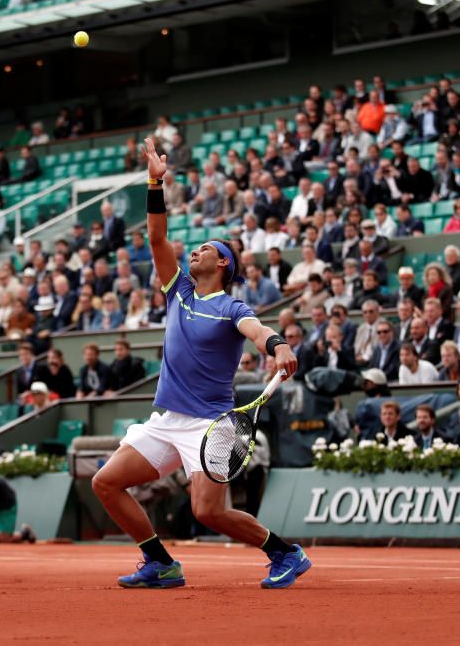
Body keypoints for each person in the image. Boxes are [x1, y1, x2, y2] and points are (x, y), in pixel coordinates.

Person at [91, 138, 306, 590]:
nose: (195, 252)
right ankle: (160, 563)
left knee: (208, 511)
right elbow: (156, 236)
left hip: (211, 425)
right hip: (168, 419)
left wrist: (278, 346)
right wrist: (155, 180)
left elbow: (257, 331)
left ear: (223, 263)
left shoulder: (232, 308)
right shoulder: (179, 291)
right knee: (106, 483)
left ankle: (284, 552)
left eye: (206, 249)